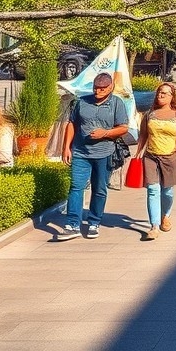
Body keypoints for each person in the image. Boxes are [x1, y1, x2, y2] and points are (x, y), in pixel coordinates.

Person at [58, 72, 130, 240]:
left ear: (111, 87)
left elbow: (123, 128)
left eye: (102, 89)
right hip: (80, 153)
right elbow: (71, 124)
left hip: (104, 154)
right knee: (76, 187)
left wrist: (105, 133)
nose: (98, 91)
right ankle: (72, 224)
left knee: (99, 190)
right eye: (95, 88)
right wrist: (66, 148)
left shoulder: (116, 104)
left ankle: (94, 222)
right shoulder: (82, 102)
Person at [138, 82, 176, 240]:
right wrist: (138, 153)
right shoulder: (149, 114)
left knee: (167, 191)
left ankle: (165, 216)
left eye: (165, 93)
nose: (160, 95)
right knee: (152, 190)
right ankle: (153, 226)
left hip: (170, 156)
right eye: (159, 92)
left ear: (171, 96)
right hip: (151, 156)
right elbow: (143, 136)